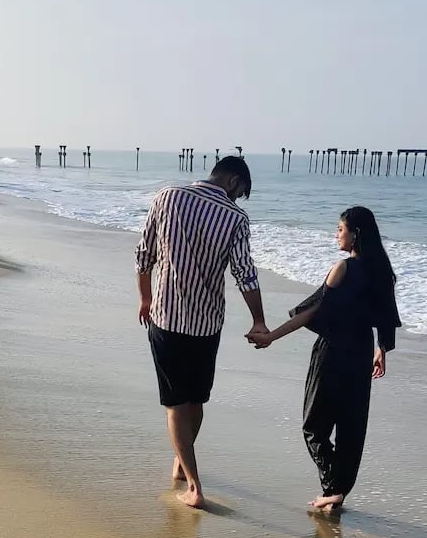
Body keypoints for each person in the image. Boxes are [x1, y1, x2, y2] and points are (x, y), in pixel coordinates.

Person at [248, 206, 401, 514]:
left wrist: (272, 336)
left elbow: (312, 310)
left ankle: (333, 490)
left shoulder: (344, 268)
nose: (336, 234)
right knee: (350, 425)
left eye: (340, 229)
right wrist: (381, 349)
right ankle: (337, 491)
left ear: (355, 234)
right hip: (360, 353)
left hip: (332, 353)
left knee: (314, 426)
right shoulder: (383, 271)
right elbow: (386, 314)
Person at [136, 156, 267, 509]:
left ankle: (192, 484)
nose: (239, 200)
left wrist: (145, 298)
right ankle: (184, 466)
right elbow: (245, 273)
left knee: (175, 403)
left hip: (166, 317)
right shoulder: (236, 218)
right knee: (195, 400)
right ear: (236, 182)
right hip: (207, 325)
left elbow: (144, 253)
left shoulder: (167, 197)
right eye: (242, 193)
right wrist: (259, 320)